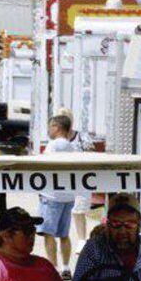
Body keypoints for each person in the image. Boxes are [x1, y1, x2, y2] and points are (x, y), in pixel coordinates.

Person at [38, 115, 76, 280]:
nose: (48, 130)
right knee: (64, 234)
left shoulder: (53, 146)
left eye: (50, 127)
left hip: (51, 195)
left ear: (56, 127)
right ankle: (66, 267)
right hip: (67, 196)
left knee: (49, 234)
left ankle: (53, 268)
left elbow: (45, 166)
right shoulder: (71, 147)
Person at [58, 109, 96, 254]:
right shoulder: (56, 139)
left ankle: (82, 240)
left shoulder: (81, 137)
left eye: (67, 118)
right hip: (62, 179)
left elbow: (91, 154)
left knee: (79, 210)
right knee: (63, 211)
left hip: (81, 179)